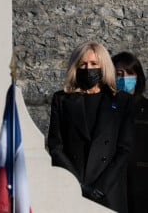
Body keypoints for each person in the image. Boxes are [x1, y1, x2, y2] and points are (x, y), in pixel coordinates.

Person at [48, 41, 134, 212]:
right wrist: (79, 185)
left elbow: (124, 149)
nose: (88, 68)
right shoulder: (62, 100)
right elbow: (56, 147)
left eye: (94, 64)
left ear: (103, 66)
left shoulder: (122, 101)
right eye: (83, 64)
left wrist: (100, 187)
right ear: (75, 67)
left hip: (108, 191)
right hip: (72, 188)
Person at [112, 52, 148, 213]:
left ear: (138, 77)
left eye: (129, 73)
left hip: (142, 184)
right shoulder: (107, 108)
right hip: (113, 183)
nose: (124, 78)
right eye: (119, 74)